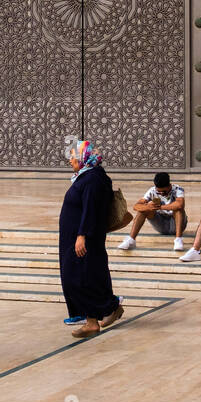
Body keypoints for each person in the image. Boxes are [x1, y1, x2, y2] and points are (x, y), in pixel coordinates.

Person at [58, 138, 123, 339]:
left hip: (83, 238)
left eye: (73, 157)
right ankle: (105, 311)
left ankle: (97, 318)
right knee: (84, 276)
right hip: (74, 237)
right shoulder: (87, 176)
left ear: (84, 158)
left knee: (80, 277)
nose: (70, 161)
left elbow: (91, 210)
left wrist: (82, 235)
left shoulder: (94, 179)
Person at [118, 171, 187, 252]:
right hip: (161, 224)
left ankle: (178, 239)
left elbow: (180, 204)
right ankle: (131, 240)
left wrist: (160, 207)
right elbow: (136, 206)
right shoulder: (152, 191)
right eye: (159, 192)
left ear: (169, 186)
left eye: (164, 192)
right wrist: (147, 207)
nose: (161, 194)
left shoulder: (177, 189)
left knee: (178, 209)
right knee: (143, 210)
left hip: (176, 224)